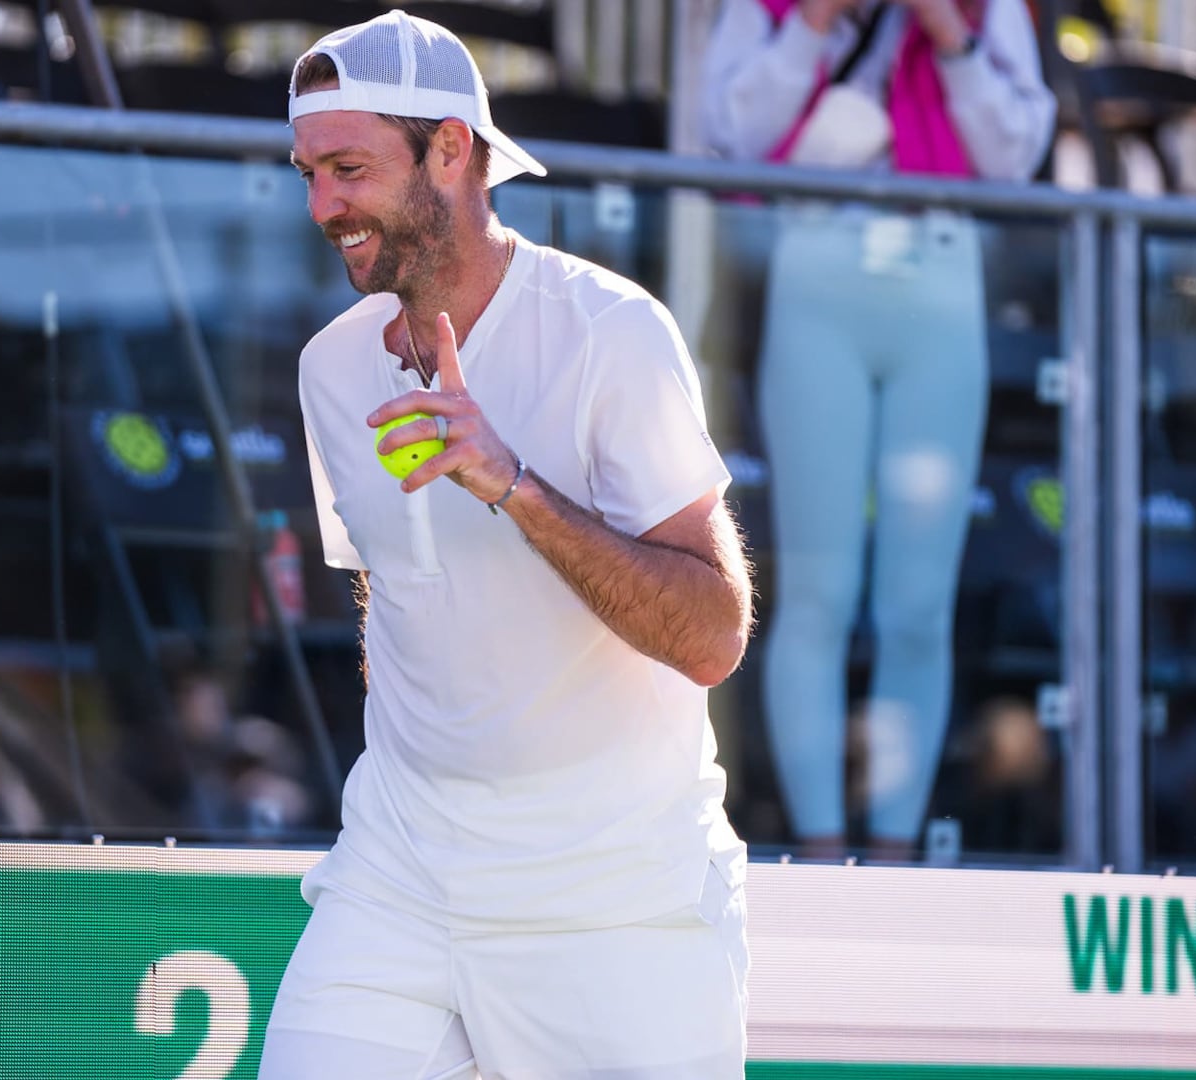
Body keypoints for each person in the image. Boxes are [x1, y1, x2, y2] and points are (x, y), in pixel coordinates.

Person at [262, 12, 756, 1079]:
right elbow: (392, 588)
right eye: (309, 174)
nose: (322, 207)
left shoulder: (613, 332)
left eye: (349, 169)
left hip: (616, 901)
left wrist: (514, 486)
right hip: (397, 878)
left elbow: (714, 635)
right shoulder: (330, 367)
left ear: (451, 149)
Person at [698, 0, 1055, 860]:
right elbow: (732, 133)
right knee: (817, 592)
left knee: (919, 606)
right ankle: (822, 851)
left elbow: (1017, 154)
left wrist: (950, 34)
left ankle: (895, 857)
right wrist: (814, 21)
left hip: (942, 269)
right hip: (815, 261)